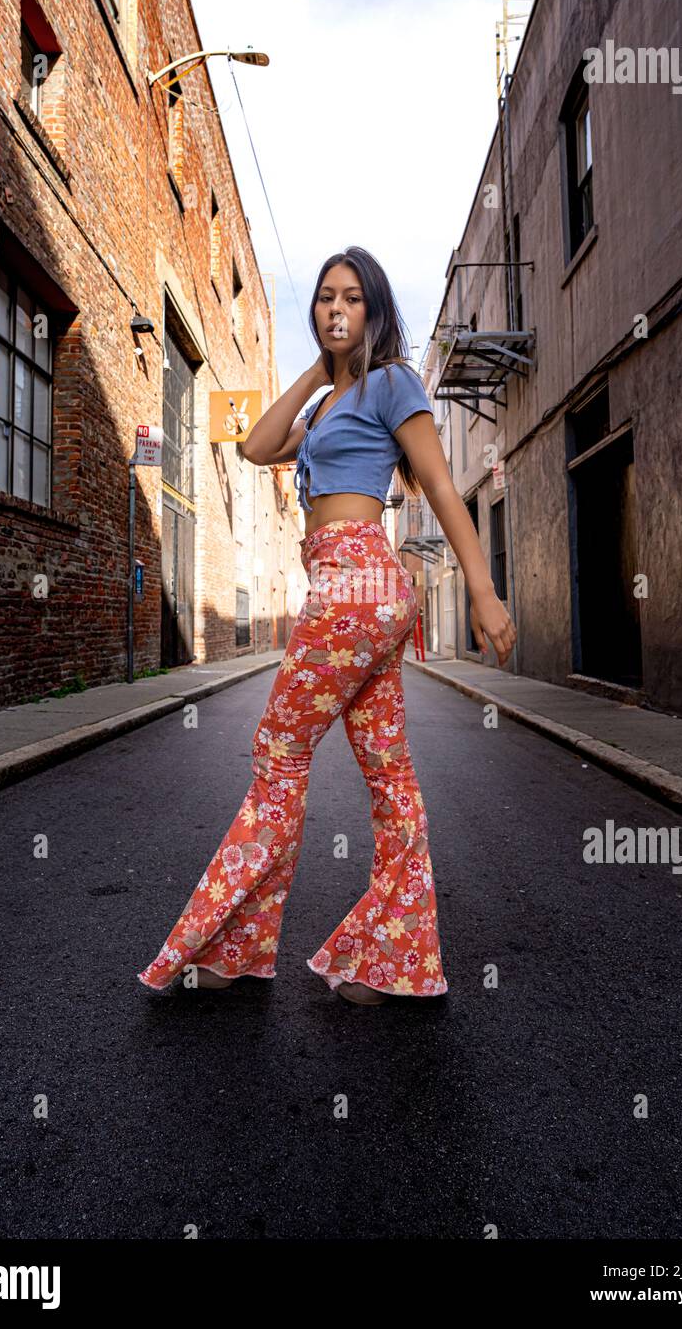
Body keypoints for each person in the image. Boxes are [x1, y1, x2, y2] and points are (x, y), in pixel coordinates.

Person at [137, 246, 517, 1006]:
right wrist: (316, 370)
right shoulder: (324, 405)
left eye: (351, 298)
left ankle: (232, 946)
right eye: (323, 299)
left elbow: (440, 485)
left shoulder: (391, 382)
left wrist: (484, 589)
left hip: (355, 585)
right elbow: (252, 446)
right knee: (390, 774)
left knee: (279, 753)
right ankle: (394, 963)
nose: (335, 309)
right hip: (355, 591)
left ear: (373, 310)